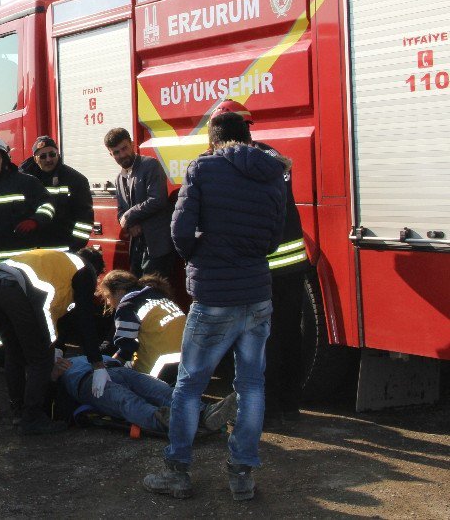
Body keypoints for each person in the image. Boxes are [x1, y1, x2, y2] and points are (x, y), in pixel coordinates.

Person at [143, 112, 286, 502]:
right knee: (252, 385)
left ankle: (178, 473)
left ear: (214, 139)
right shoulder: (272, 172)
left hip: (214, 295)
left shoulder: (202, 169)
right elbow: (274, 238)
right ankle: (242, 477)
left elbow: (179, 232)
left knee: (189, 387)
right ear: (248, 136)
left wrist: (200, 256)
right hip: (257, 295)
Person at [211, 100, 310, 429]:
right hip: (293, 263)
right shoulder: (273, 158)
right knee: (289, 333)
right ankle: (290, 405)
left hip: (259, 266)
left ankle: (265, 410)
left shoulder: (230, 165)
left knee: (259, 338)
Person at [0, 247, 106, 435]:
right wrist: (97, 364)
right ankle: (32, 417)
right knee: (40, 358)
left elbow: (63, 316)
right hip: (17, 291)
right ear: (97, 270)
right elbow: (84, 318)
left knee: (14, 352)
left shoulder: (58, 261)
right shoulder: (85, 270)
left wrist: (58, 348)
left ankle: (19, 410)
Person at [0, 132, 55, 372]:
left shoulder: (26, 182)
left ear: (5, 158)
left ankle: (33, 357)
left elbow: (48, 205)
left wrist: (36, 220)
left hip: (24, 265)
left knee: (29, 314)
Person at [53, 355, 237, 436]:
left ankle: (205, 413)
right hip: (87, 381)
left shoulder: (88, 349)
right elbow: (43, 390)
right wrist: (53, 374)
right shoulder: (55, 368)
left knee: (161, 390)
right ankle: (165, 419)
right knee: (125, 400)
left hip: (117, 369)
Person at [104, 128, 174, 278]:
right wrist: (129, 224)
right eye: (116, 152)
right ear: (110, 154)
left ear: (132, 144)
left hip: (157, 248)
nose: (122, 155)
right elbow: (120, 212)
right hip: (136, 248)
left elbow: (157, 200)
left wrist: (129, 217)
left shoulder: (150, 166)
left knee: (154, 294)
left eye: (124, 148)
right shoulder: (119, 179)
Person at [98, 270, 185, 380]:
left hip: (158, 370)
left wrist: (102, 368)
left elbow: (126, 349)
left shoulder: (128, 306)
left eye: (108, 297)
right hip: (185, 365)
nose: (109, 303)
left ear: (119, 291)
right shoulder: (157, 295)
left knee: (113, 371)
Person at [19, 135, 95, 251]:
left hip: (64, 252)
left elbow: (84, 218)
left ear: (58, 154)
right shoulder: (24, 181)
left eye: (52, 154)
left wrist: (74, 247)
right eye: (43, 156)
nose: (48, 159)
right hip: (32, 252)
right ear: (35, 159)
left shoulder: (76, 180)